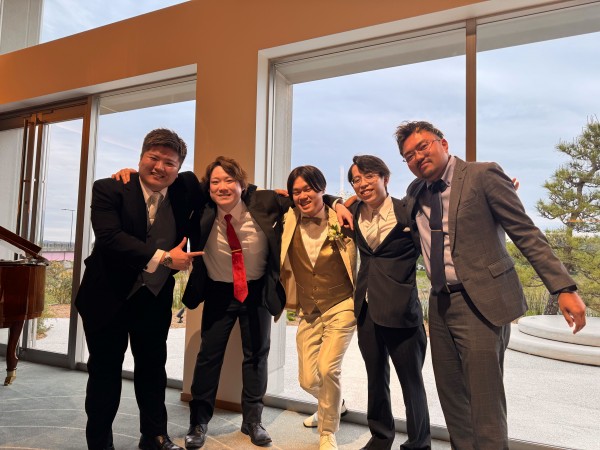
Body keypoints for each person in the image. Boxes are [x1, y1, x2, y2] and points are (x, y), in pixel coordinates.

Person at [394, 120, 587, 449]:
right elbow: (389, 211)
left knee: (484, 404)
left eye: (422, 146)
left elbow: (525, 232)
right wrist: (338, 202)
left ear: (443, 143)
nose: (417, 156)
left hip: (479, 301)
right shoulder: (415, 193)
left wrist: (563, 288)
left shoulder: (482, 175)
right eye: (408, 155)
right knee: (453, 401)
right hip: (439, 305)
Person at [181, 157, 351, 449]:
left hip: (257, 290)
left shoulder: (265, 201)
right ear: (208, 188)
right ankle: (198, 422)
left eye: (229, 180)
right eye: (215, 182)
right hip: (219, 291)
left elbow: (308, 198)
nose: (222, 187)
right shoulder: (203, 207)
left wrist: (337, 202)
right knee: (209, 357)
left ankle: (253, 421)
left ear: (242, 184)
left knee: (257, 357)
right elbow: (171, 185)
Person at [75, 128, 204, 450]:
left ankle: (155, 436)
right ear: (141, 157)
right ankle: (100, 444)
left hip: (153, 298)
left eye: (169, 163)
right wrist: (164, 258)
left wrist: (291, 196)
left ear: (179, 167)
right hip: (106, 297)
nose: (160, 167)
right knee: (105, 373)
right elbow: (110, 237)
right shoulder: (109, 189)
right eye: (153, 158)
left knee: (153, 370)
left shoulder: (185, 187)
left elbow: (226, 187)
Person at [347, 155, 430, 450]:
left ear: (385, 178)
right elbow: (325, 200)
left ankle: (419, 444)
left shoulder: (406, 210)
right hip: (366, 310)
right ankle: (381, 438)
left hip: (401, 310)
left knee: (411, 382)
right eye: (356, 180)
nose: (362, 184)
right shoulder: (353, 211)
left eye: (369, 176)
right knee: (375, 379)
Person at [279, 166, 356, 450]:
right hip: (309, 310)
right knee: (308, 379)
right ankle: (336, 404)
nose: (302, 196)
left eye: (308, 189)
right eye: (296, 191)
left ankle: (327, 432)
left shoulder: (342, 217)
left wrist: (337, 202)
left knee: (327, 369)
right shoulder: (287, 217)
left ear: (322, 189)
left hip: (342, 303)